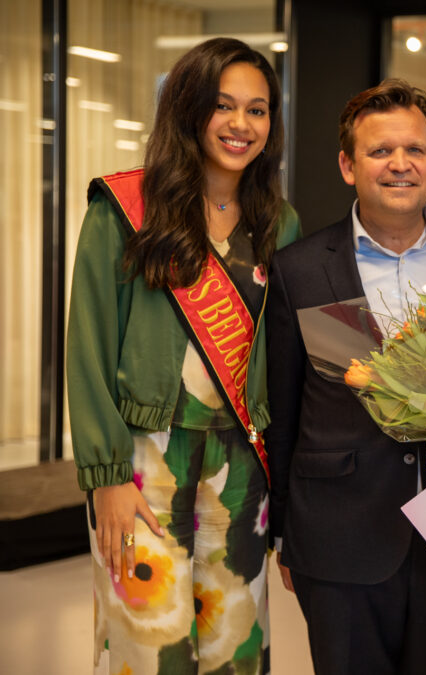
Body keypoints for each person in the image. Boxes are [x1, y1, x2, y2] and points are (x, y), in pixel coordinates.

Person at [66, 38, 300, 673]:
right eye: (223, 106)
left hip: (242, 469)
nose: (240, 125)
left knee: (236, 642)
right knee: (149, 643)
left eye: (258, 110)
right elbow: (86, 348)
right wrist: (107, 475)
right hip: (144, 461)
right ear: (188, 109)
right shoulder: (123, 209)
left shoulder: (280, 224)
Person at [265, 79, 426, 675]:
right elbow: (282, 407)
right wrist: (284, 536)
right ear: (349, 165)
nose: (399, 164)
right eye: (379, 152)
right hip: (339, 536)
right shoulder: (301, 268)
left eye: (415, 150)